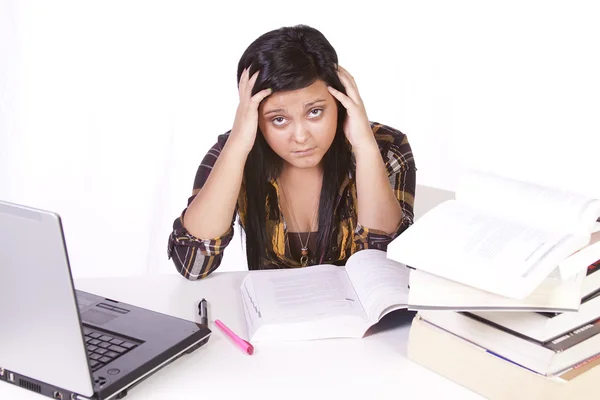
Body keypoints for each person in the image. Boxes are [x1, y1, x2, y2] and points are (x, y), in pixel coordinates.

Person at [167, 24, 417, 280]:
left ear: (340, 102)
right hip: (269, 318)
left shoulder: (387, 148)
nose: (300, 136)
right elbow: (192, 264)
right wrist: (238, 144)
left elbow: (388, 270)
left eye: (315, 112)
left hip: (359, 319)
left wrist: (364, 146)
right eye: (278, 120)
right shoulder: (233, 154)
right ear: (253, 117)